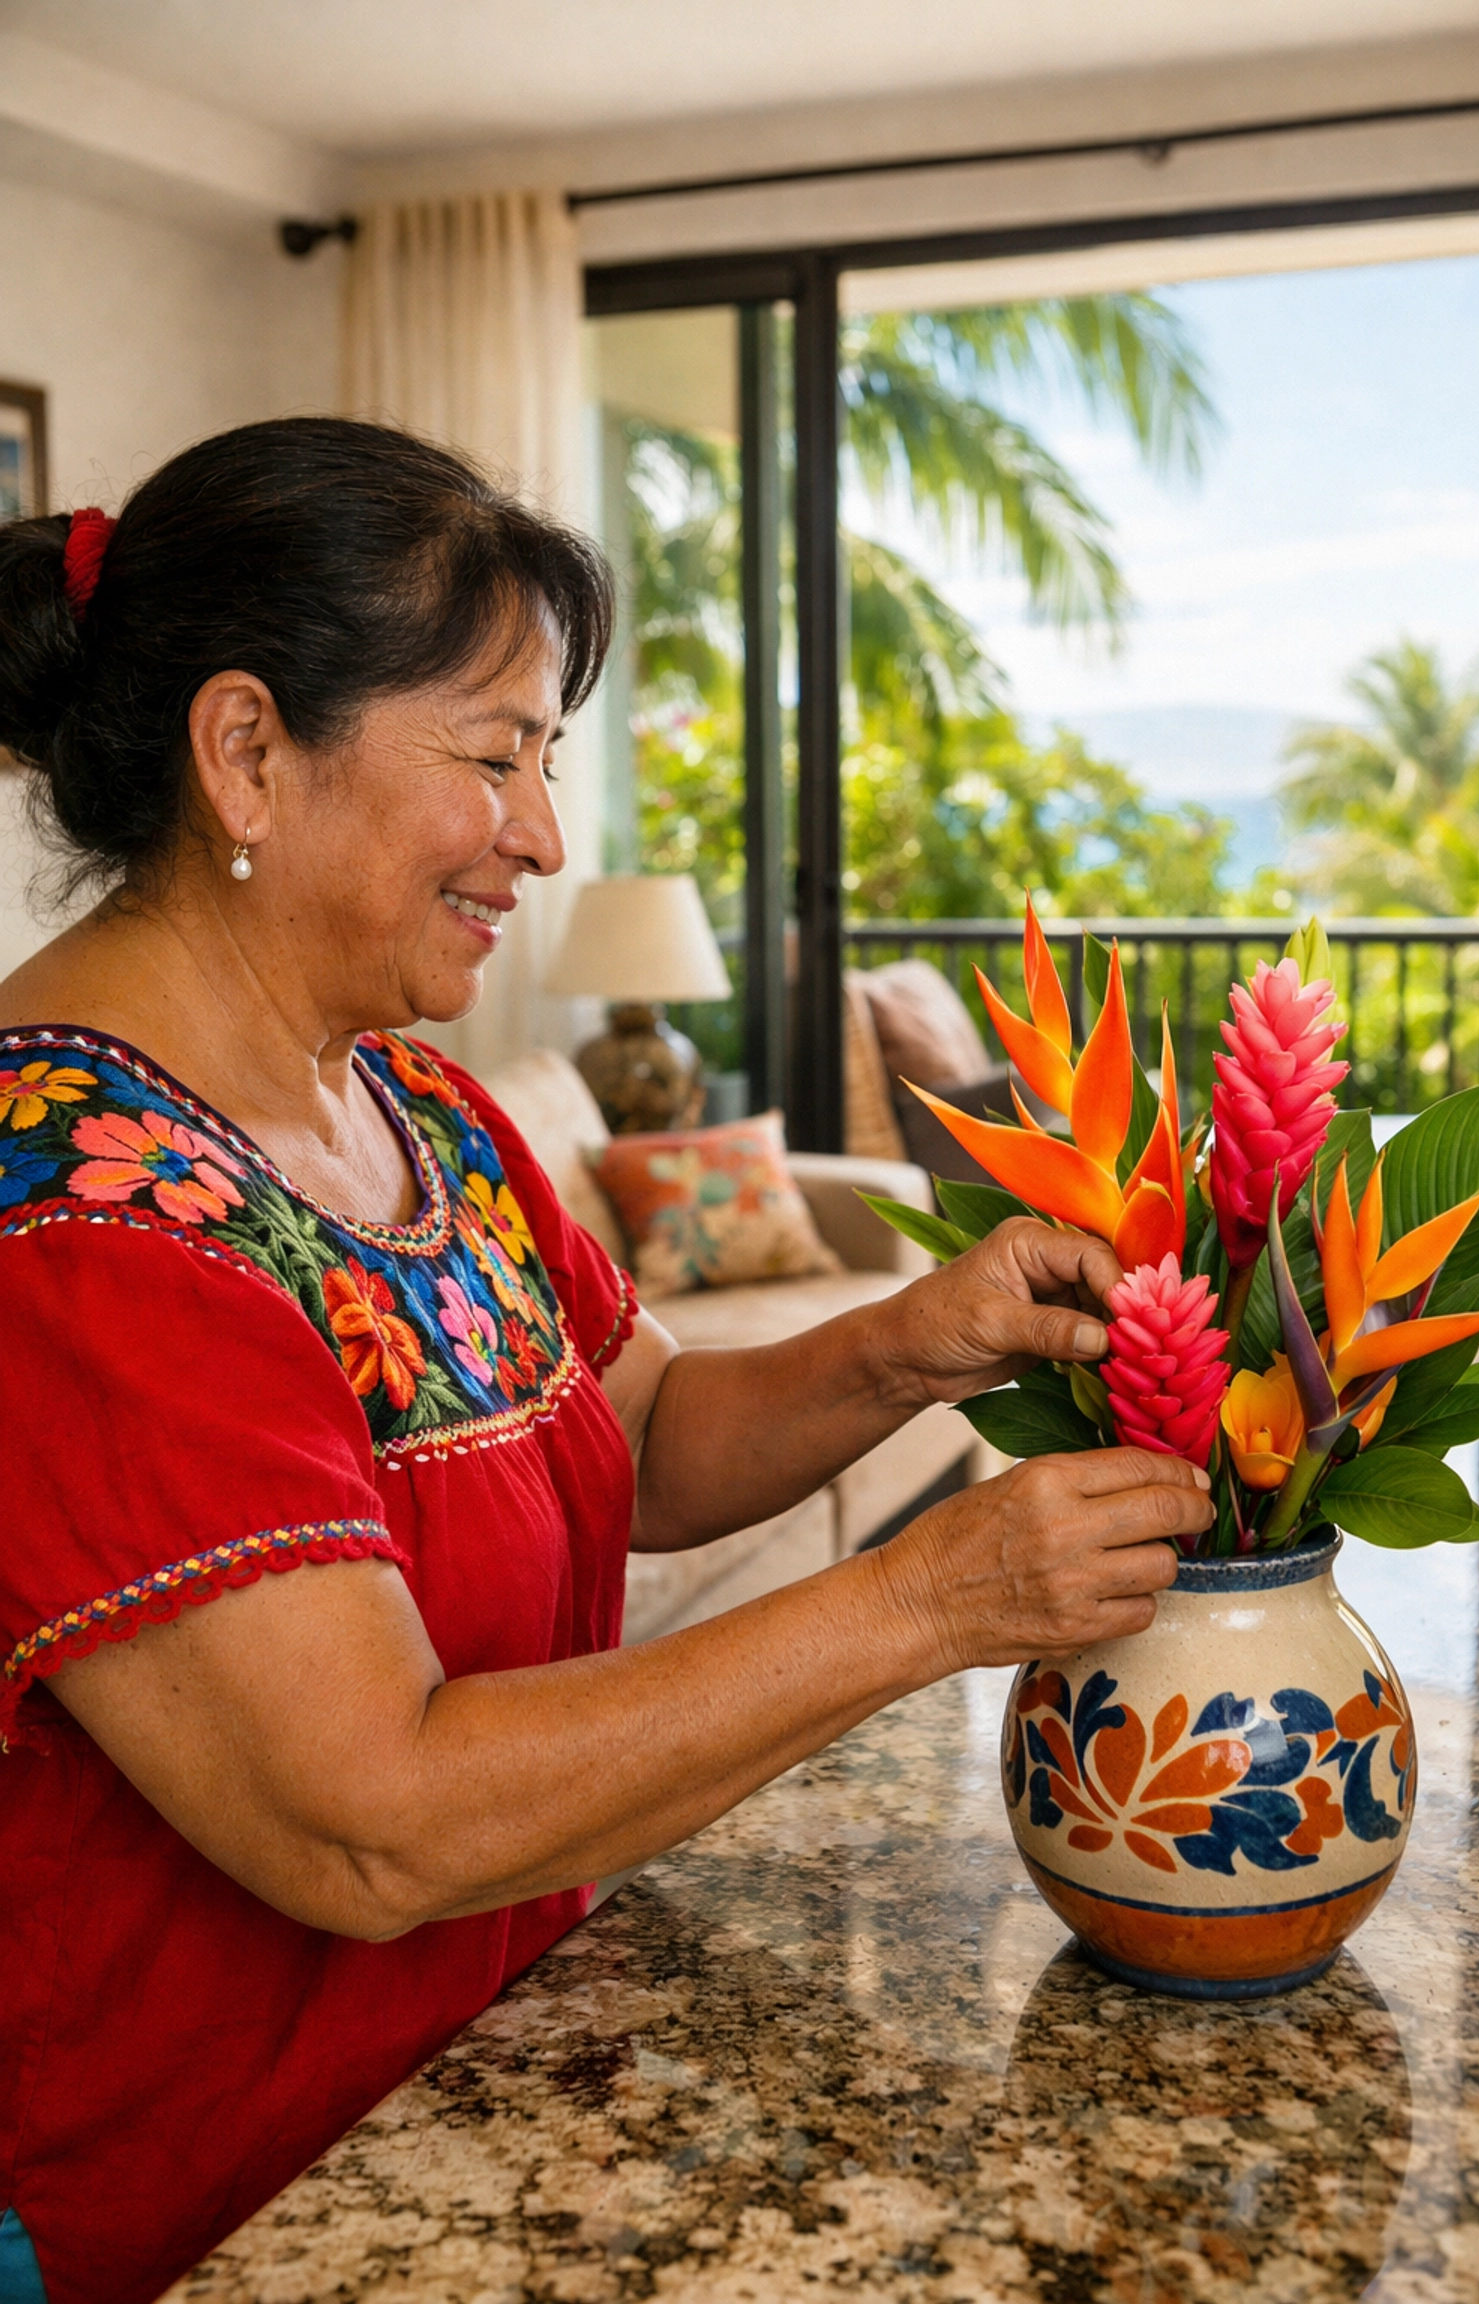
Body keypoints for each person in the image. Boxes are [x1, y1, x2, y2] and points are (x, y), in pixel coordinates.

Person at [0, 417, 1211, 2304]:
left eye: (545, 761)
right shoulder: (74, 1223)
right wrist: (931, 1602)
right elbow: (371, 1819)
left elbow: (631, 1431)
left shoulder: (412, 1101)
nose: (546, 838)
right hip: (231, 2206)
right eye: (494, 758)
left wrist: (910, 1343)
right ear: (245, 750)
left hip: (490, 2072)